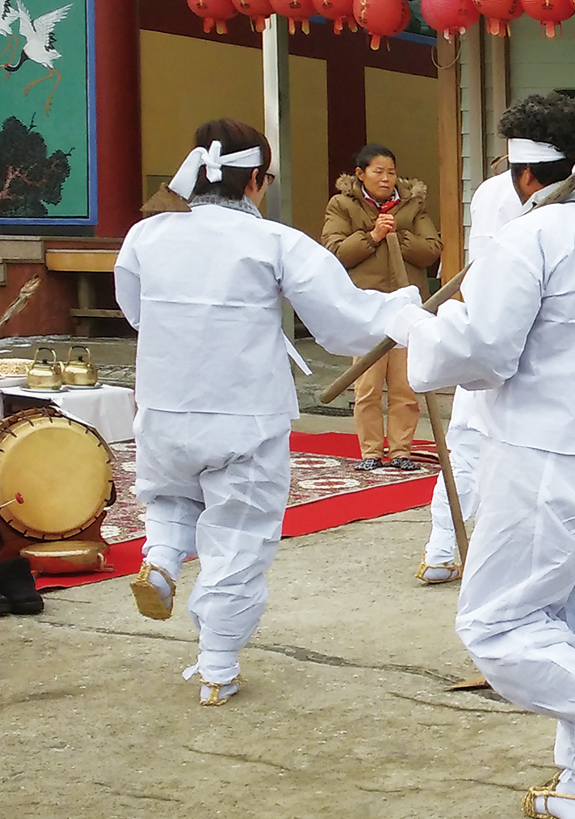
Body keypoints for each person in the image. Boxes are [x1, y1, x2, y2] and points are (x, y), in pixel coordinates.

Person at [389, 94, 575, 819]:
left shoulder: (530, 239)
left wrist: (420, 325)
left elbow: (483, 351)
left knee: (498, 625)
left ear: (521, 176)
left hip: (549, 469)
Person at [115, 119, 418, 704]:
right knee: (239, 533)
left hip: (163, 404)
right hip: (242, 413)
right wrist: (400, 307)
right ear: (256, 180)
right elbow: (341, 322)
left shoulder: (144, 237)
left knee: (170, 495)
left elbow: (135, 310)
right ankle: (218, 666)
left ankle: (160, 563)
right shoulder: (273, 242)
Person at [417, 161, 532, 585]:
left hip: (486, 322)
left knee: (470, 451)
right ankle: (450, 549)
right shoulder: (499, 192)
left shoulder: (489, 189)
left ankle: (444, 550)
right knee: (482, 452)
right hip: (508, 329)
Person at [322, 144, 442, 472]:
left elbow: (432, 249)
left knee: (405, 385)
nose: (386, 178)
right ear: (360, 174)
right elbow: (334, 251)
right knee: (368, 385)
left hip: (406, 306)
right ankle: (371, 452)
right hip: (367, 309)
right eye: (378, 171)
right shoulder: (342, 205)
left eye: (391, 171)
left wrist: (398, 237)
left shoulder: (412, 204)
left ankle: (402, 450)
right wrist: (373, 235)